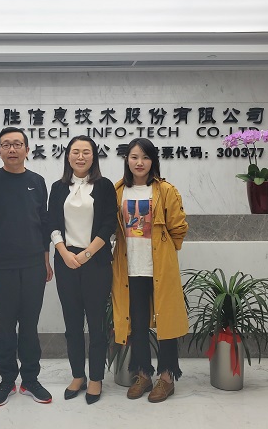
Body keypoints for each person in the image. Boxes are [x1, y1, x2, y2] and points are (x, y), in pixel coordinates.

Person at [0, 127, 54, 407]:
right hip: (2, 266)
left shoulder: (37, 181)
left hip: (33, 265)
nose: (12, 149)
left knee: (30, 325)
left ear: (27, 150)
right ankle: (7, 380)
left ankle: (30, 379)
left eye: (17, 144)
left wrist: (46, 260)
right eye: (6, 144)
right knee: (7, 325)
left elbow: (44, 224)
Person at [111, 137, 188, 403]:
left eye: (145, 157)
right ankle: (142, 374)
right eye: (134, 157)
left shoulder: (165, 190)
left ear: (153, 161)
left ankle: (167, 378)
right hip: (129, 268)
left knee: (166, 322)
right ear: (127, 160)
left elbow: (178, 228)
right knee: (138, 324)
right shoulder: (118, 190)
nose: (139, 162)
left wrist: (165, 251)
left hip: (159, 267)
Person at [48, 135, 117, 405]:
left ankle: (96, 377)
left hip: (96, 262)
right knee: (72, 324)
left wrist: (87, 253)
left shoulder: (104, 186)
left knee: (97, 325)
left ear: (93, 156)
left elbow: (109, 224)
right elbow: (52, 222)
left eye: (86, 152)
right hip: (66, 261)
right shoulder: (58, 187)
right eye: (75, 151)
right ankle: (78, 375)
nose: (80, 156)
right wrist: (64, 252)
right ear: (68, 156)